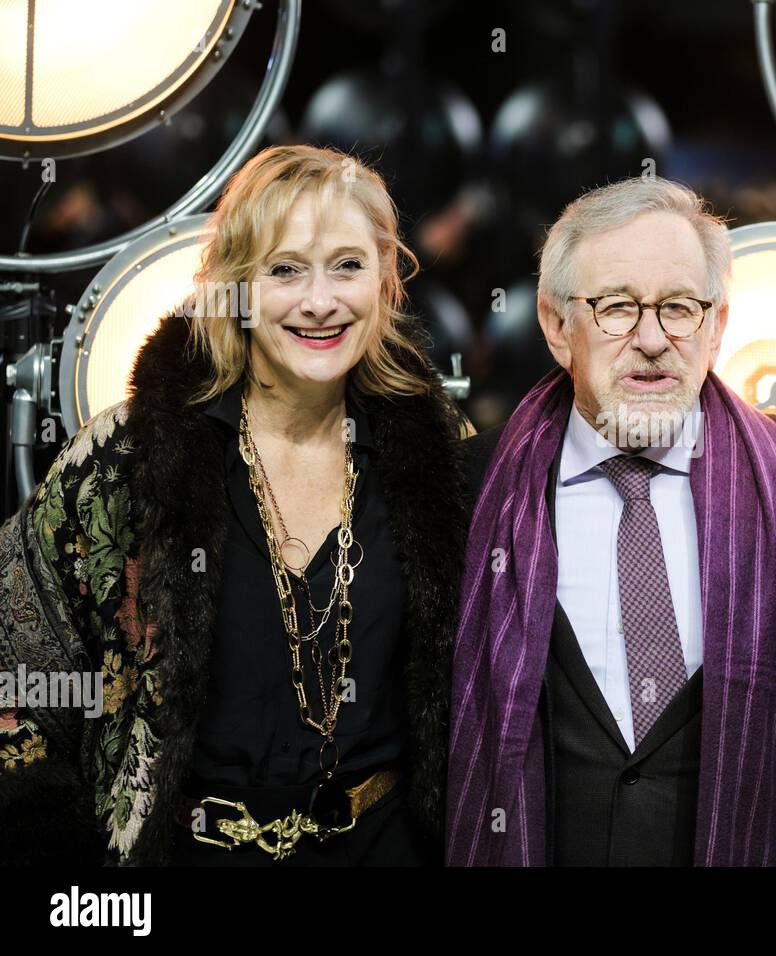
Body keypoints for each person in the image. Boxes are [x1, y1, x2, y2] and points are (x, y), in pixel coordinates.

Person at [0, 144, 467, 866]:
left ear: (386, 280)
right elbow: (16, 668)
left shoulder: (442, 458)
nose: (320, 301)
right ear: (236, 284)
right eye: (285, 270)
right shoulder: (129, 455)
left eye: (347, 265)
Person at [446, 177, 776, 866]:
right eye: (617, 308)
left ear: (717, 326)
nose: (652, 340)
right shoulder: (463, 489)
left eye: (679, 307)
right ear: (559, 327)